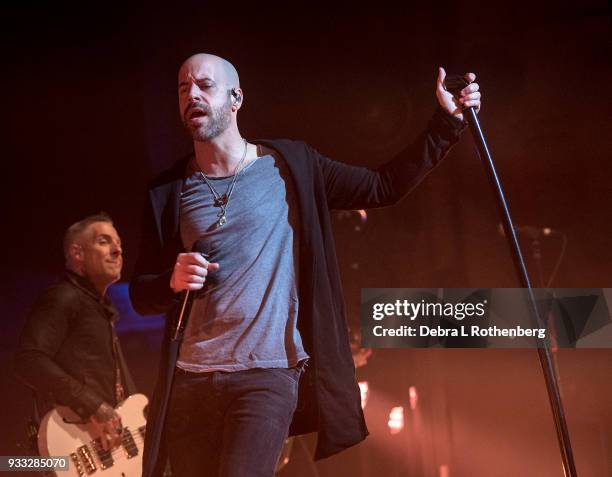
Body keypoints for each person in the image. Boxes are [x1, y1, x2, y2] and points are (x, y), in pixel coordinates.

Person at [129, 53, 481, 477]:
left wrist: (446, 125)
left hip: (266, 375)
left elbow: (382, 186)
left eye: (205, 85)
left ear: (236, 97)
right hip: (190, 379)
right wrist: (170, 280)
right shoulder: (170, 190)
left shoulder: (290, 166)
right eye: (184, 89)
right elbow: (141, 293)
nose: (192, 95)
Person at [15, 213, 136, 452]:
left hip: (104, 448)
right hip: (73, 445)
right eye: (104, 242)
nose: (117, 251)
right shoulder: (64, 297)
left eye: (119, 244)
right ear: (77, 253)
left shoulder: (99, 308)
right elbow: (28, 359)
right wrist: (94, 406)